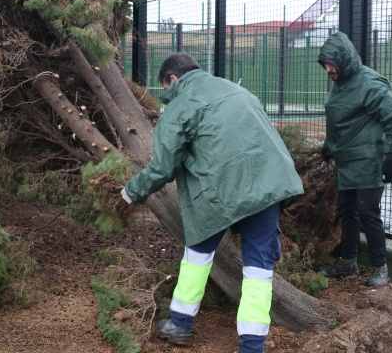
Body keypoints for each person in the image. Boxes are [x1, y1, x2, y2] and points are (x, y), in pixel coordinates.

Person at [120, 53, 303, 352]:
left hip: (222, 192)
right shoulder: (237, 90)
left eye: (166, 89)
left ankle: (179, 325)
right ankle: (253, 346)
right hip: (269, 184)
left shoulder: (179, 107)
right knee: (258, 269)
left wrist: (130, 192)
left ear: (173, 80)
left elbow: (164, 168)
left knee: (197, 255)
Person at [317, 31, 392, 288]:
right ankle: (348, 262)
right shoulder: (341, 82)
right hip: (346, 161)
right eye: (325, 65)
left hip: (368, 161)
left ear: (344, 60)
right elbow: (339, 120)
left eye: (331, 65)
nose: (328, 70)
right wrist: (329, 145)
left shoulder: (370, 83)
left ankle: (381, 268)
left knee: (368, 213)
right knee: (347, 212)